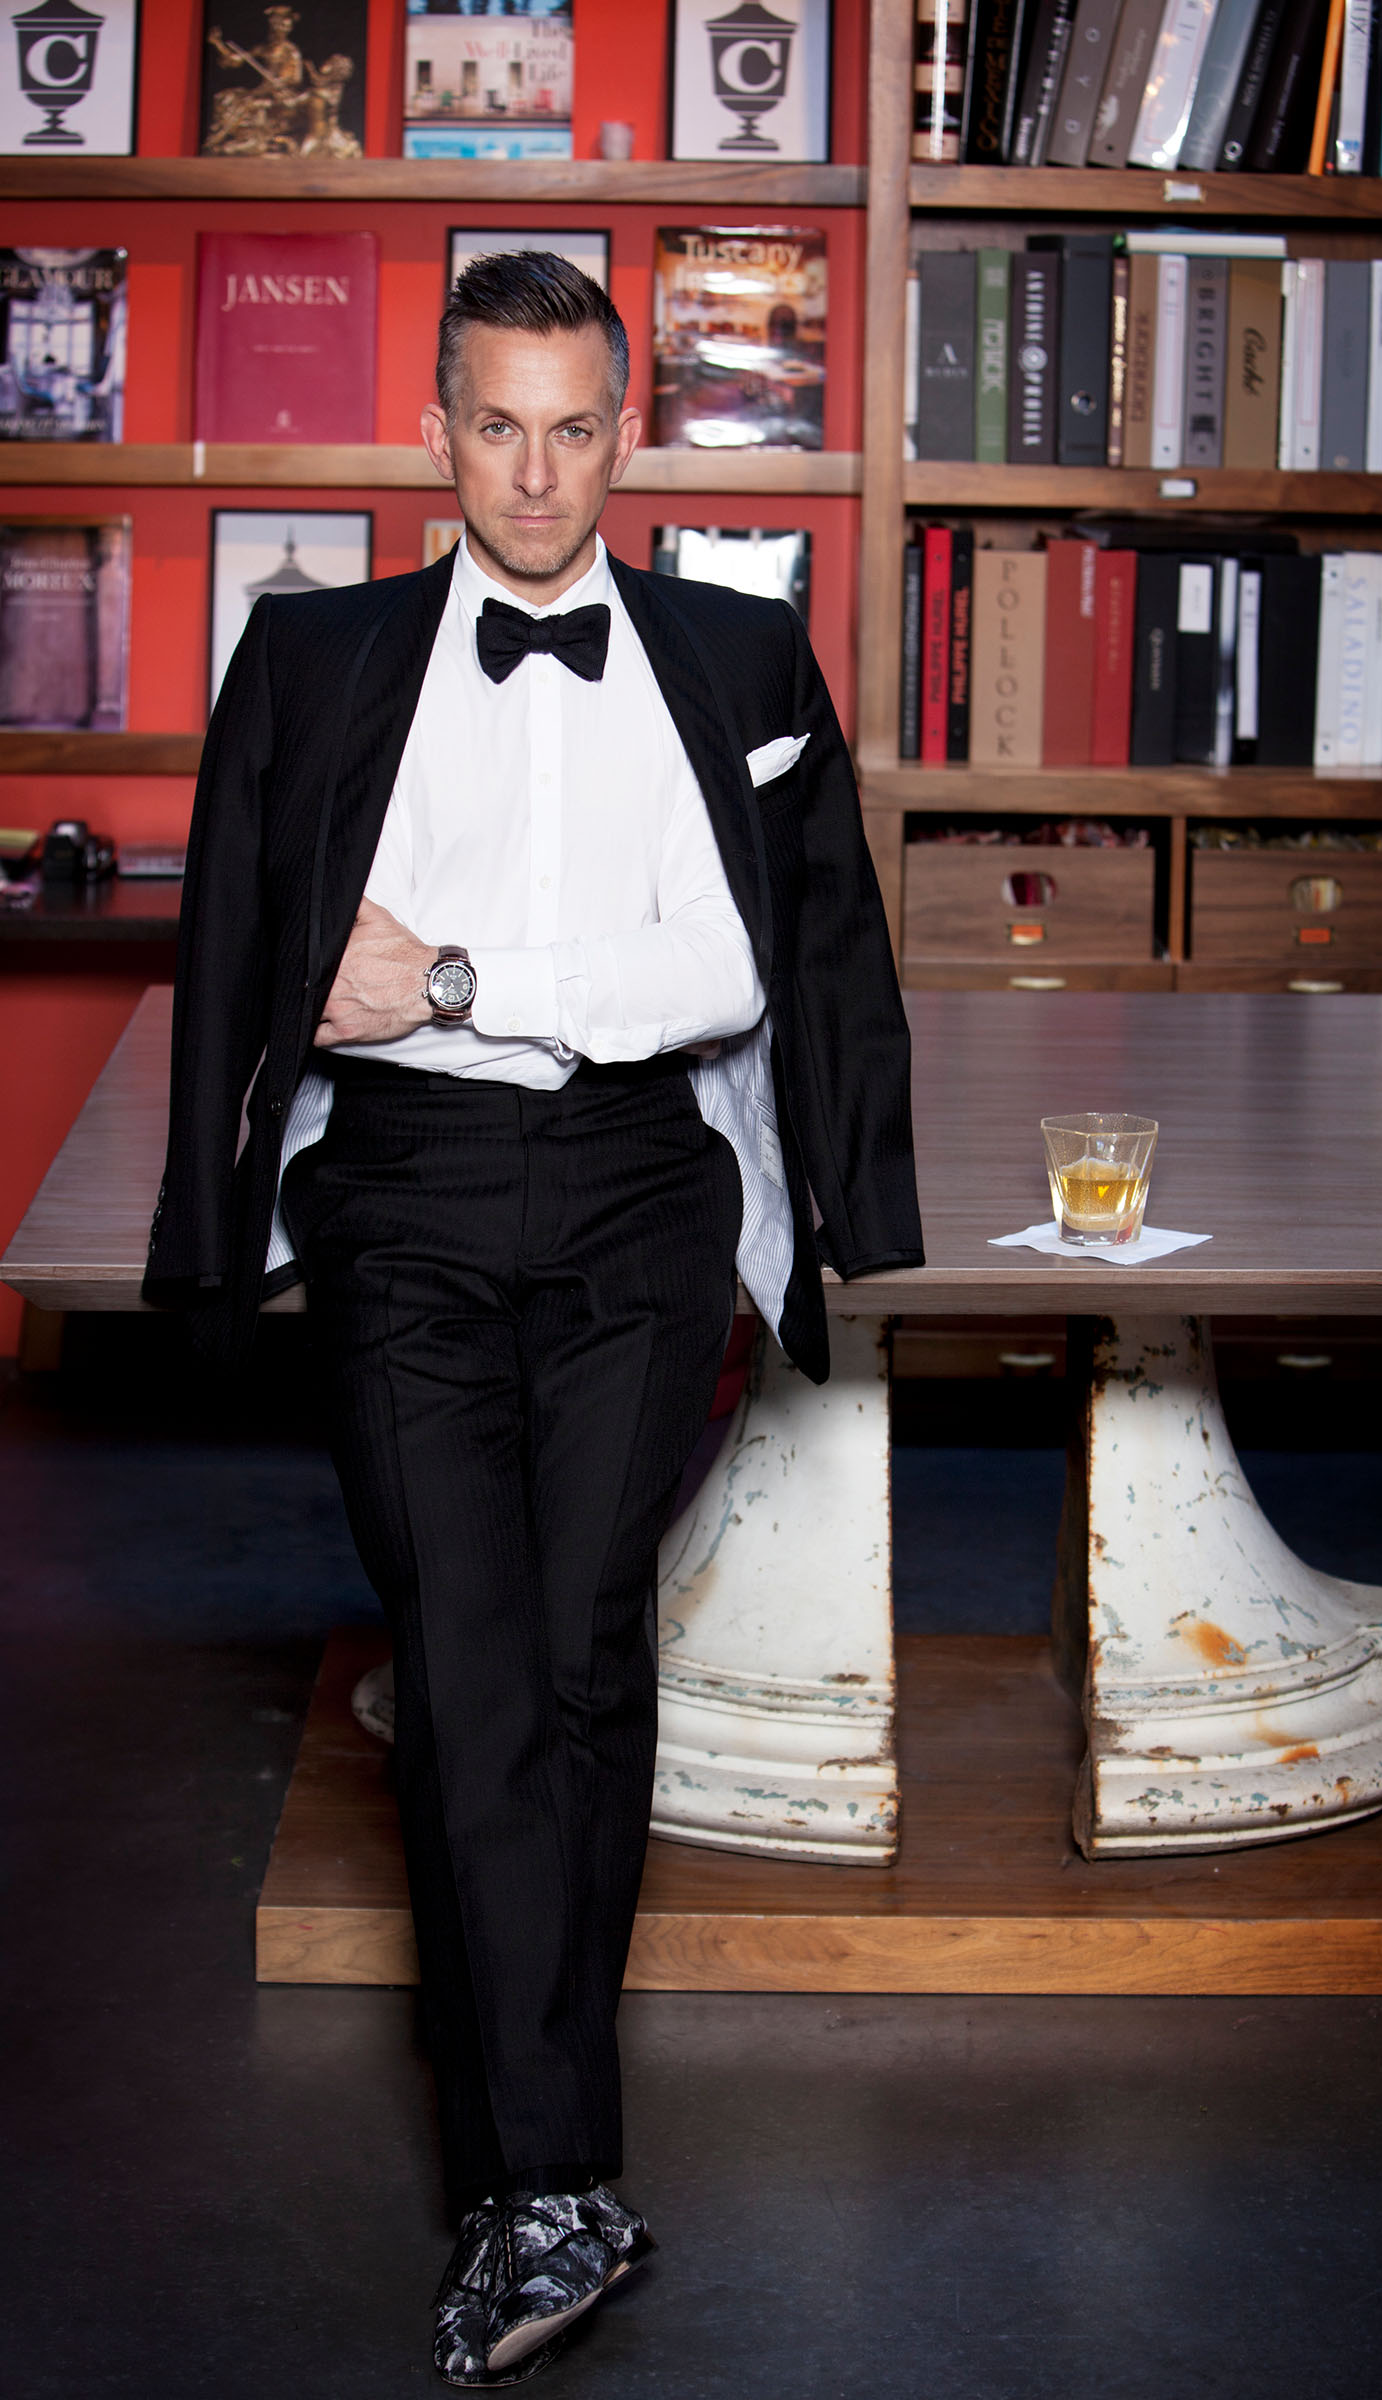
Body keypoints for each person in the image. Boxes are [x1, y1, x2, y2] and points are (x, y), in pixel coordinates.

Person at [144, 251, 922, 2386]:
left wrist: (465, 979)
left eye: (576, 430)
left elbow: (738, 963)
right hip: (396, 1198)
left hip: (638, 1197)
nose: (536, 473)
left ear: (624, 437)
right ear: (438, 431)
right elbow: (244, 946)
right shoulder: (311, 657)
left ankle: (541, 2181)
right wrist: (240, 1167)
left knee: (580, 1656)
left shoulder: (735, 653)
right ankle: (546, 2179)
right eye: (497, 426)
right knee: (472, 1656)